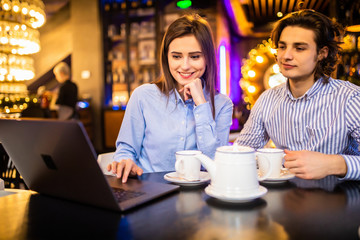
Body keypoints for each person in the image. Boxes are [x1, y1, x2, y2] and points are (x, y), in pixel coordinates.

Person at [235, 9, 360, 180]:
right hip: (285, 200)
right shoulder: (267, 100)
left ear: (322, 53)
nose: (286, 56)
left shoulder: (350, 98)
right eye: (282, 46)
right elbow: (241, 154)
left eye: (299, 48)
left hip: (340, 200)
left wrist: (333, 164)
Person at [108, 14, 233, 182]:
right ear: (167, 58)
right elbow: (126, 150)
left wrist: (201, 104)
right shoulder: (143, 96)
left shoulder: (222, 104)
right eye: (176, 56)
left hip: (200, 196)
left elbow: (216, 163)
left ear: (207, 58)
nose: (185, 65)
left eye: (195, 56)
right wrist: (125, 162)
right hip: (149, 192)